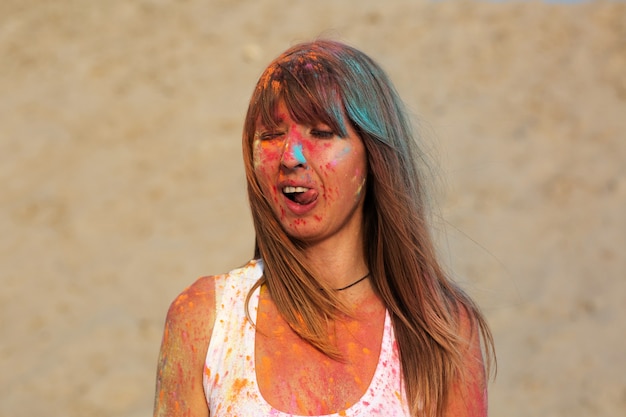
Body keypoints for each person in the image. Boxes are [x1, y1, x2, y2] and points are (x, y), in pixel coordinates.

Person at [153, 39, 495, 417]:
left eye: (321, 132)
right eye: (271, 135)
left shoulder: (440, 330)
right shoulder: (206, 320)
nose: (290, 156)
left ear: (374, 154)